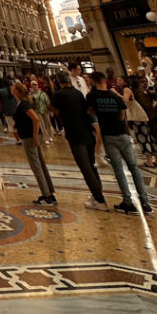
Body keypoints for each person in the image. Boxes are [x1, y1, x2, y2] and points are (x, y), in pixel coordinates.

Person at [88, 71, 152, 215]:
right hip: (123, 133)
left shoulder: (92, 96)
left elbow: (91, 112)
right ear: (105, 81)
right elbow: (123, 112)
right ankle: (145, 202)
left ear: (93, 81)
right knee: (134, 167)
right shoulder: (115, 96)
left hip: (108, 135)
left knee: (119, 169)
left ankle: (128, 202)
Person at [49, 69, 107, 210]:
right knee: (92, 167)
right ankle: (98, 195)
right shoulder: (78, 93)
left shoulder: (59, 95)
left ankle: (100, 201)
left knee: (85, 168)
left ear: (58, 80)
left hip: (75, 135)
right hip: (87, 132)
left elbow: (54, 111)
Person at [12, 82, 56, 205]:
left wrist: (35, 136)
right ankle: (49, 193)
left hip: (30, 137)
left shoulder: (23, 104)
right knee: (40, 164)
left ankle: (46, 196)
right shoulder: (23, 103)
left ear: (16, 91)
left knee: (36, 166)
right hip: (31, 136)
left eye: (13, 88)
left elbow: (36, 119)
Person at [29, 79, 55, 144]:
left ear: (38, 85)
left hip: (45, 110)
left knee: (48, 123)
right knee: (42, 125)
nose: (34, 86)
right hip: (37, 111)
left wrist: (50, 111)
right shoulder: (30, 94)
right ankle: (46, 138)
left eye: (35, 84)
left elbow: (47, 102)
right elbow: (29, 103)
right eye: (33, 85)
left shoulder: (42, 93)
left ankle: (50, 136)